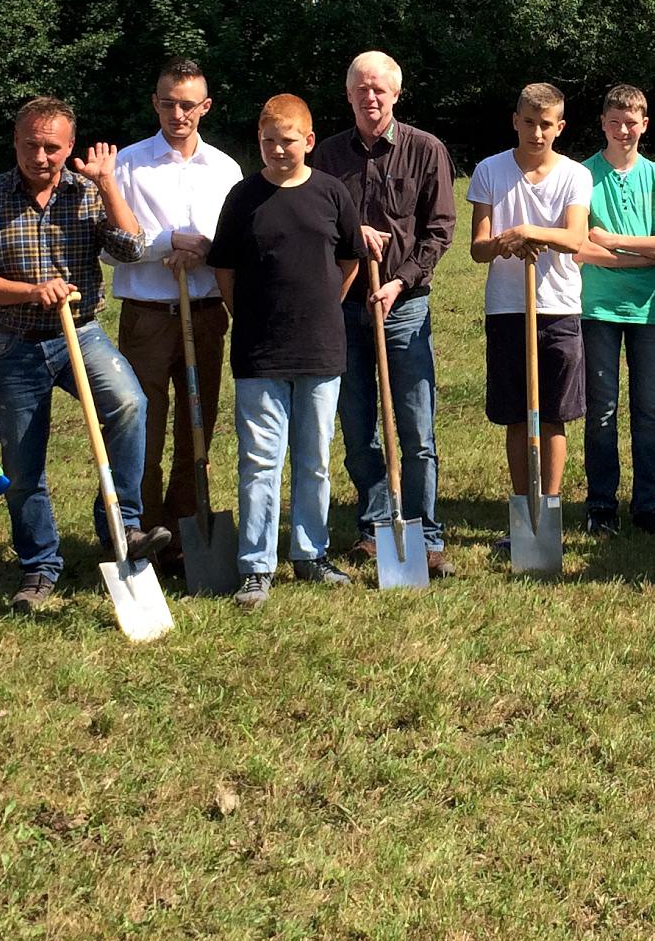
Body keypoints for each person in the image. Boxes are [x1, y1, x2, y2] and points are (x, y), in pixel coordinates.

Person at [0, 97, 165, 614]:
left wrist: (108, 183)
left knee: (127, 404)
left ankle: (122, 527)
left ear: (69, 147)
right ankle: (39, 565)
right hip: (14, 341)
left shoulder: (86, 193)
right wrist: (31, 292)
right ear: (15, 142)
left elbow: (132, 249)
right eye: (31, 144)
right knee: (22, 457)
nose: (41, 156)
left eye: (52, 147)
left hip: (81, 332)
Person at [208, 94, 362, 607]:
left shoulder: (333, 193)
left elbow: (349, 261)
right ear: (259, 142)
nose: (279, 149)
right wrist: (249, 315)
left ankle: (311, 553)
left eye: (289, 140)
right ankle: (256, 565)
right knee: (258, 460)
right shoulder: (242, 197)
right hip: (259, 351)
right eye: (269, 141)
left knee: (315, 458)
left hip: (320, 348)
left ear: (309, 141)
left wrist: (320, 309)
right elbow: (224, 269)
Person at [315, 51, 456, 575]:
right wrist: (353, 237)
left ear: (396, 94)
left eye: (379, 88)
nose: (370, 97)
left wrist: (400, 281)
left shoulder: (426, 150)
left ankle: (425, 531)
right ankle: (375, 526)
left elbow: (440, 229)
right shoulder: (327, 156)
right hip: (345, 306)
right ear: (348, 95)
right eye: (360, 88)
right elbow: (316, 224)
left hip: (405, 307)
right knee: (358, 426)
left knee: (416, 427)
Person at [106, 59, 243, 542]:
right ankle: (141, 528)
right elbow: (108, 246)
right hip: (146, 317)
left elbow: (235, 241)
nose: (177, 114)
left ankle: (188, 528)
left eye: (188, 105)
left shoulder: (226, 169)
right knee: (142, 423)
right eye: (168, 103)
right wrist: (168, 243)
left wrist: (206, 248)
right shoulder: (126, 164)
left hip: (205, 314)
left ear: (204, 107)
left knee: (196, 426)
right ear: (155, 103)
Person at [470, 83, 593, 548]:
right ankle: (523, 511)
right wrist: (506, 242)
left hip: (558, 306)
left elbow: (576, 238)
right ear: (515, 121)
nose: (537, 132)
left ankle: (551, 512)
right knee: (518, 415)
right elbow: (479, 248)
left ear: (560, 127)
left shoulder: (575, 175)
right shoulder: (489, 171)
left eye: (547, 125)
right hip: (507, 307)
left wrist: (528, 231)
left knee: (555, 414)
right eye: (529, 122)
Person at [576, 85, 655, 534]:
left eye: (632, 123)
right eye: (615, 122)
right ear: (603, 123)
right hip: (597, 307)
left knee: (648, 410)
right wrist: (644, 256)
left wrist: (617, 242)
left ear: (645, 125)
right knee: (601, 409)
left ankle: (647, 504)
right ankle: (601, 503)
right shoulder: (582, 175)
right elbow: (579, 248)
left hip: (648, 310)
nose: (623, 131)